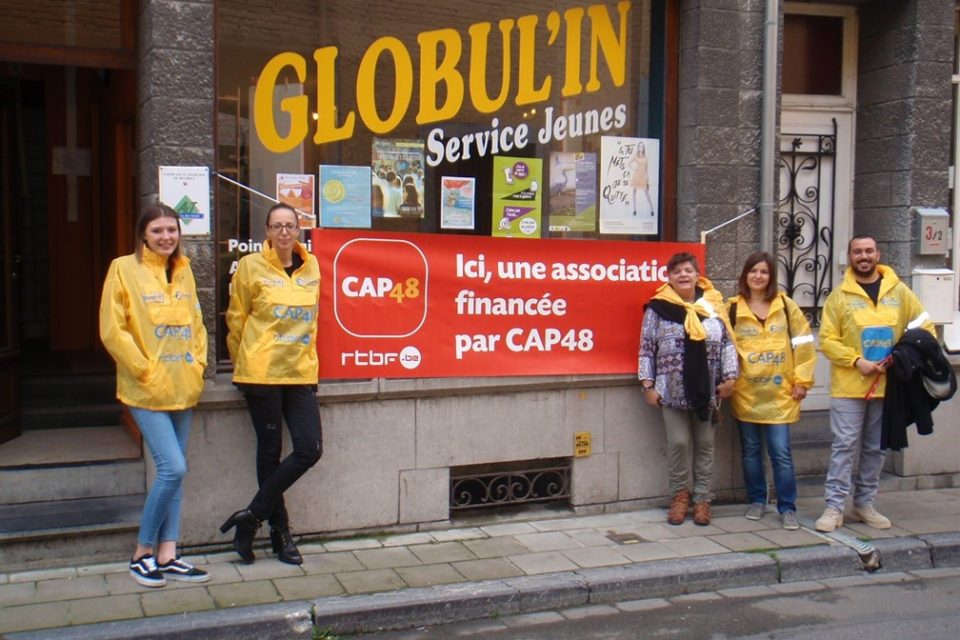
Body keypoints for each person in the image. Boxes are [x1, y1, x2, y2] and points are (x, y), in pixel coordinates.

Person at [99, 204, 209, 587]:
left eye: (171, 230)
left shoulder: (184, 271)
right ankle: (142, 552)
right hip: (145, 389)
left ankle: (169, 552)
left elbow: (197, 323)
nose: (166, 237)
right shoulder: (123, 269)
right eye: (157, 231)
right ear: (143, 235)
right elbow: (113, 330)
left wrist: (198, 366)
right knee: (172, 468)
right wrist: (144, 369)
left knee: (176, 474)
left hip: (183, 387)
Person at [221, 203, 323, 564]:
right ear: (266, 231)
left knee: (309, 448)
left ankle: (250, 517)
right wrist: (241, 362)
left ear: (298, 231)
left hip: (299, 372)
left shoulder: (312, 268)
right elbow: (237, 319)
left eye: (290, 226)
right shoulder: (251, 267)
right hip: (261, 372)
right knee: (269, 453)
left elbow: (313, 322)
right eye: (277, 226)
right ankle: (282, 535)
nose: (284, 232)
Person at [815, 235, 934, 532]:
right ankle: (834, 507)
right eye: (857, 252)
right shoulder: (839, 296)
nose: (864, 256)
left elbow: (923, 328)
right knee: (844, 446)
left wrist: (903, 355)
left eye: (868, 251)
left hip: (887, 387)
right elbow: (827, 341)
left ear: (878, 254)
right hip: (849, 386)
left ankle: (864, 503)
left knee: (875, 448)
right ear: (850, 257)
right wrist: (857, 361)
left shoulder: (900, 292)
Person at [639, 252, 739, 526]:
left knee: (706, 444)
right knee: (679, 443)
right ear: (669, 278)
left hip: (707, 389)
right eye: (676, 271)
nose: (683, 275)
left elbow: (729, 343)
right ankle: (680, 497)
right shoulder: (657, 309)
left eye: (688, 270)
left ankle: (703, 500)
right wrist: (647, 384)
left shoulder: (713, 306)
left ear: (698, 275)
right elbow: (647, 349)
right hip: (669, 389)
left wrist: (730, 378)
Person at [727, 252, 816, 530]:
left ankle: (787, 507)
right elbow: (723, 347)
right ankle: (757, 499)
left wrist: (803, 380)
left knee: (780, 452)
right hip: (747, 393)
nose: (758, 276)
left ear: (771, 277)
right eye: (753, 271)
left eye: (764, 272)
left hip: (781, 395)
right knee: (751, 451)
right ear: (745, 275)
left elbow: (804, 345)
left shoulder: (786, 307)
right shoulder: (731, 308)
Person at [629, 141, 654, 216]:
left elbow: (646, 169)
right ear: (638, 148)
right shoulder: (636, 156)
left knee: (646, 192)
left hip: (643, 176)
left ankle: (652, 209)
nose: (641, 148)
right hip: (637, 175)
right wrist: (634, 169)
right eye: (640, 146)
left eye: (642, 146)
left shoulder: (645, 157)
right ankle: (634, 209)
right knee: (634, 191)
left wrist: (647, 180)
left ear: (644, 148)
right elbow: (628, 163)